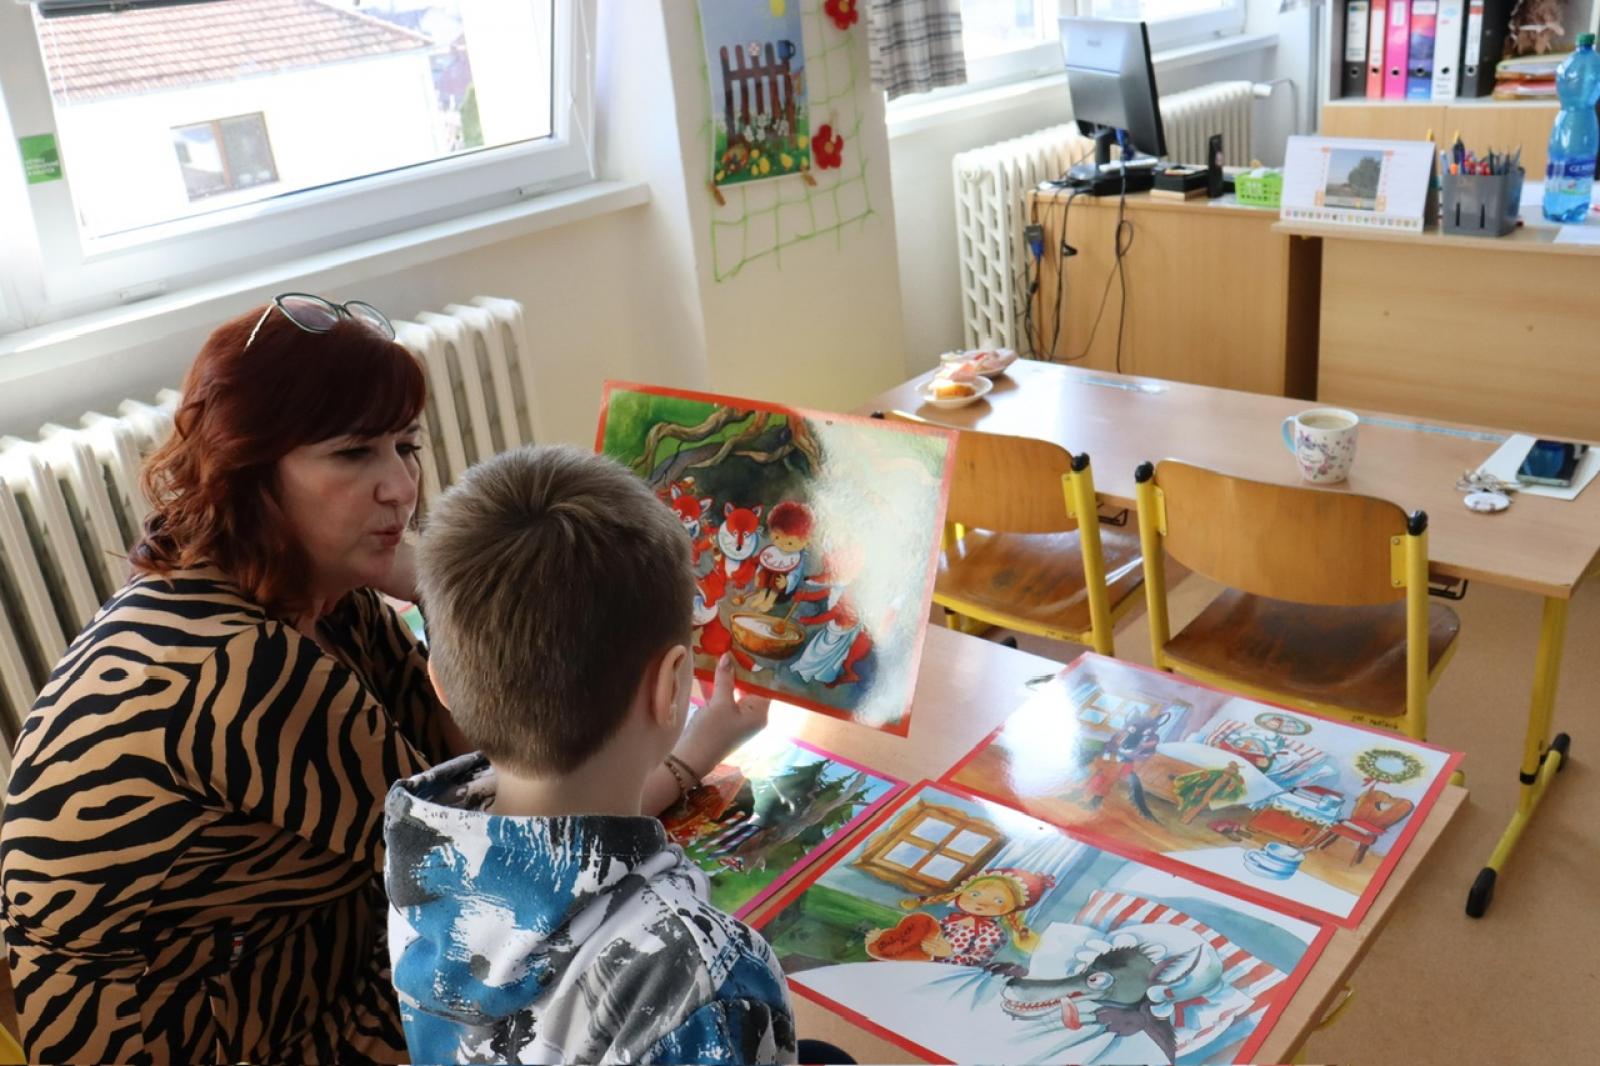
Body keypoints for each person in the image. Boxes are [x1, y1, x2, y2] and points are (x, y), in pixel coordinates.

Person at [384, 445, 798, 1064]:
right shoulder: (710, 980)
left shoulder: (418, 845)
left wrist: (698, 750)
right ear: (673, 685)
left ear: (441, 682)